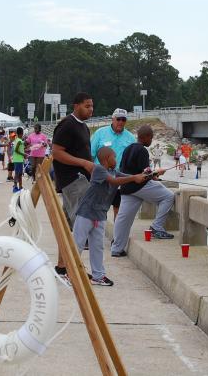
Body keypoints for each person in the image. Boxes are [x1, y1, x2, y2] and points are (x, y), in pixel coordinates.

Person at [73, 147, 148, 287]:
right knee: (78, 244)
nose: (116, 159)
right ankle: (70, 273)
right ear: (107, 158)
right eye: (114, 157)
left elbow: (125, 177)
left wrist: (148, 175)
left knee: (97, 247)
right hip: (86, 212)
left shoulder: (114, 172)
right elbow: (114, 182)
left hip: (100, 214)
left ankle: (98, 276)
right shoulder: (99, 169)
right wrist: (134, 177)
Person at [111, 125, 172, 257]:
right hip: (139, 186)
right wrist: (157, 172)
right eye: (151, 137)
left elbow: (126, 169)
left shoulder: (128, 149)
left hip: (127, 188)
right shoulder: (142, 151)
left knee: (123, 219)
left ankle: (116, 249)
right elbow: (146, 173)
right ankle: (157, 227)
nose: (151, 140)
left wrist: (153, 176)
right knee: (168, 196)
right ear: (145, 137)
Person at [52, 92, 94, 281]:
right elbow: (57, 153)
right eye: (87, 106)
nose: (91, 109)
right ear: (76, 106)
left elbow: (85, 153)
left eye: (92, 106)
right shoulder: (67, 124)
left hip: (82, 180)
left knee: (67, 226)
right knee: (80, 226)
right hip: (72, 181)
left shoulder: (84, 127)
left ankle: (62, 267)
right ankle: (73, 268)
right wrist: (83, 164)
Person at [90, 108, 136, 220]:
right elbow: (91, 155)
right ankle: (96, 233)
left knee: (118, 209)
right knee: (98, 208)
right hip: (101, 178)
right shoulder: (100, 133)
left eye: (123, 119)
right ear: (113, 119)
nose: (120, 122)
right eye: (118, 119)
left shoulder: (131, 138)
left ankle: (117, 236)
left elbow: (133, 159)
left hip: (120, 178)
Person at [12, 127, 26, 192]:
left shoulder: (17, 140)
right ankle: (15, 187)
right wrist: (23, 154)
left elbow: (20, 149)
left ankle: (20, 186)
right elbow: (16, 150)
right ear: (22, 133)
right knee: (17, 174)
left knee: (20, 174)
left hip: (19, 159)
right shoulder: (19, 141)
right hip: (18, 160)